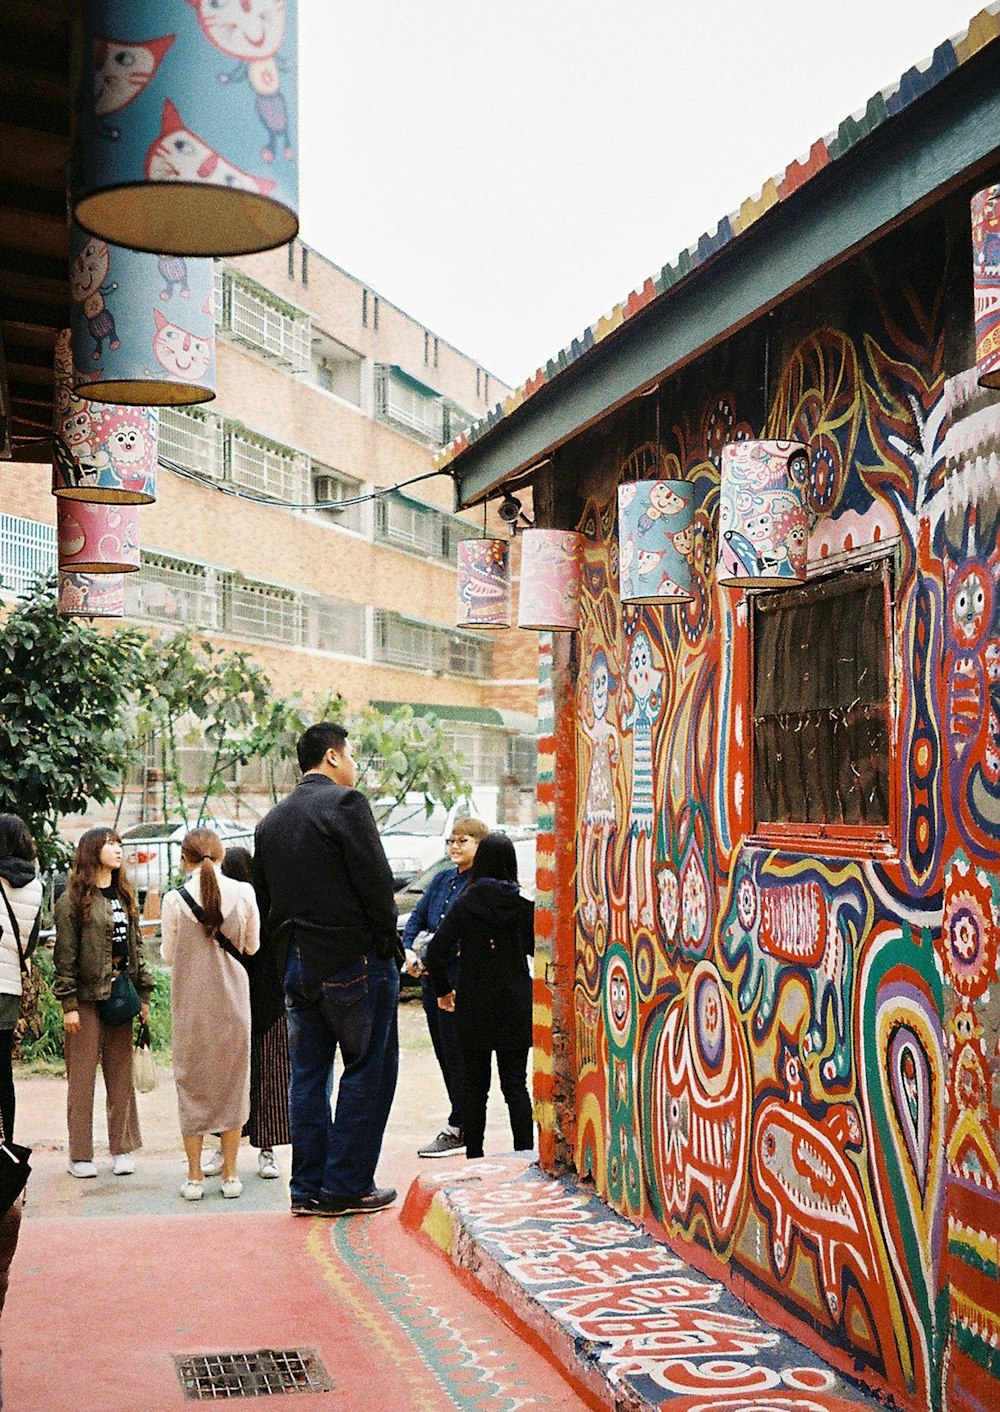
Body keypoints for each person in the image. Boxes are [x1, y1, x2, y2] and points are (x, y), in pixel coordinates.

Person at [253, 721, 400, 1217]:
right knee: (367, 1070)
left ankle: (306, 1188)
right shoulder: (345, 804)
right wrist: (388, 944)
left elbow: (266, 898)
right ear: (333, 757)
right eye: (351, 753)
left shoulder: (270, 821)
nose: (354, 764)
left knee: (309, 1078)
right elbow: (376, 882)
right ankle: (346, 1186)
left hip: (296, 964)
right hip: (351, 961)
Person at [160, 828, 260, 1201]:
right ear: (221, 856)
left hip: (190, 1004)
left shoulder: (173, 900)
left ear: (185, 858)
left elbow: (169, 956)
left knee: (191, 1082)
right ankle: (231, 1175)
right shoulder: (246, 893)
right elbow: (252, 947)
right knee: (234, 1085)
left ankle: (194, 1176)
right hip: (234, 1001)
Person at [425, 832, 535, 1161]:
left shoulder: (465, 905)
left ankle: (474, 1154)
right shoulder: (524, 905)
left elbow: (435, 953)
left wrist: (443, 992)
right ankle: (524, 1153)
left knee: (475, 1085)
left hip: (473, 1003)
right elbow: (537, 951)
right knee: (515, 1084)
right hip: (515, 1001)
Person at [53, 827, 154, 1178]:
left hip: (120, 993)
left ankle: (121, 1148)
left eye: (119, 844)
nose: (117, 849)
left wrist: (143, 994)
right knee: (81, 1078)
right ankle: (80, 1154)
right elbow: (64, 956)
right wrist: (68, 1004)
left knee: (120, 1076)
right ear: (92, 851)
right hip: (85, 997)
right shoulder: (72, 900)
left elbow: (138, 949)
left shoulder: (125, 895)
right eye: (110, 843)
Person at [402, 817, 488, 1158]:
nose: (454, 847)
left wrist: (433, 951)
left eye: (463, 841)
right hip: (430, 980)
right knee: (443, 1052)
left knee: (460, 1055)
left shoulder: (480, 887)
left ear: (479, 846)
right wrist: (411, 951)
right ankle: (460, 1120)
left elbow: (465, 936)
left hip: (461, 984)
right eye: (450, 841)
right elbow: (415, 921)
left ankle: (462, 1125)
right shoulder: (441, 881)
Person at [221, 844, 289, 1181]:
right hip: (272, 1001)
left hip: (232, 999)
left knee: (230, 1078)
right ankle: (267, 1153)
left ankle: (224, 1149)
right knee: (271, 1079)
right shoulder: (270, 904)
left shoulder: (220, 907)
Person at [0, 814, 43, 1145]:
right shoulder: (35, 887)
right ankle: (6, 1155)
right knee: (4, 1076)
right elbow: (29, 945)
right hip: (9, 989)